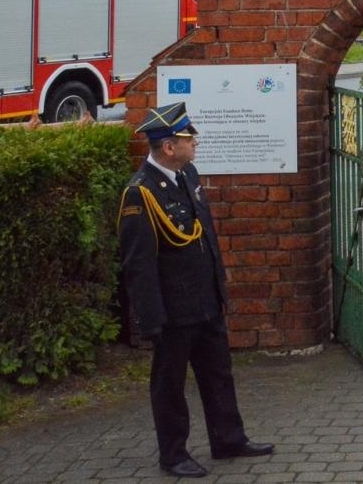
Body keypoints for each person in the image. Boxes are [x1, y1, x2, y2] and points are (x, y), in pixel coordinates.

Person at [117, 102, 273, 478]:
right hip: (173, 310)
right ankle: (173, 454)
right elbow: (138, 264)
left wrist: (219, 287)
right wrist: (151, 319)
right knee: (169, 385)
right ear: (169, 146)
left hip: (205, 301)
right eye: (189, 138)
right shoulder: (140, 194)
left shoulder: (187, 174)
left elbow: (206, 236)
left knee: (218, 373)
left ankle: (228, 439)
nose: (195, 142)